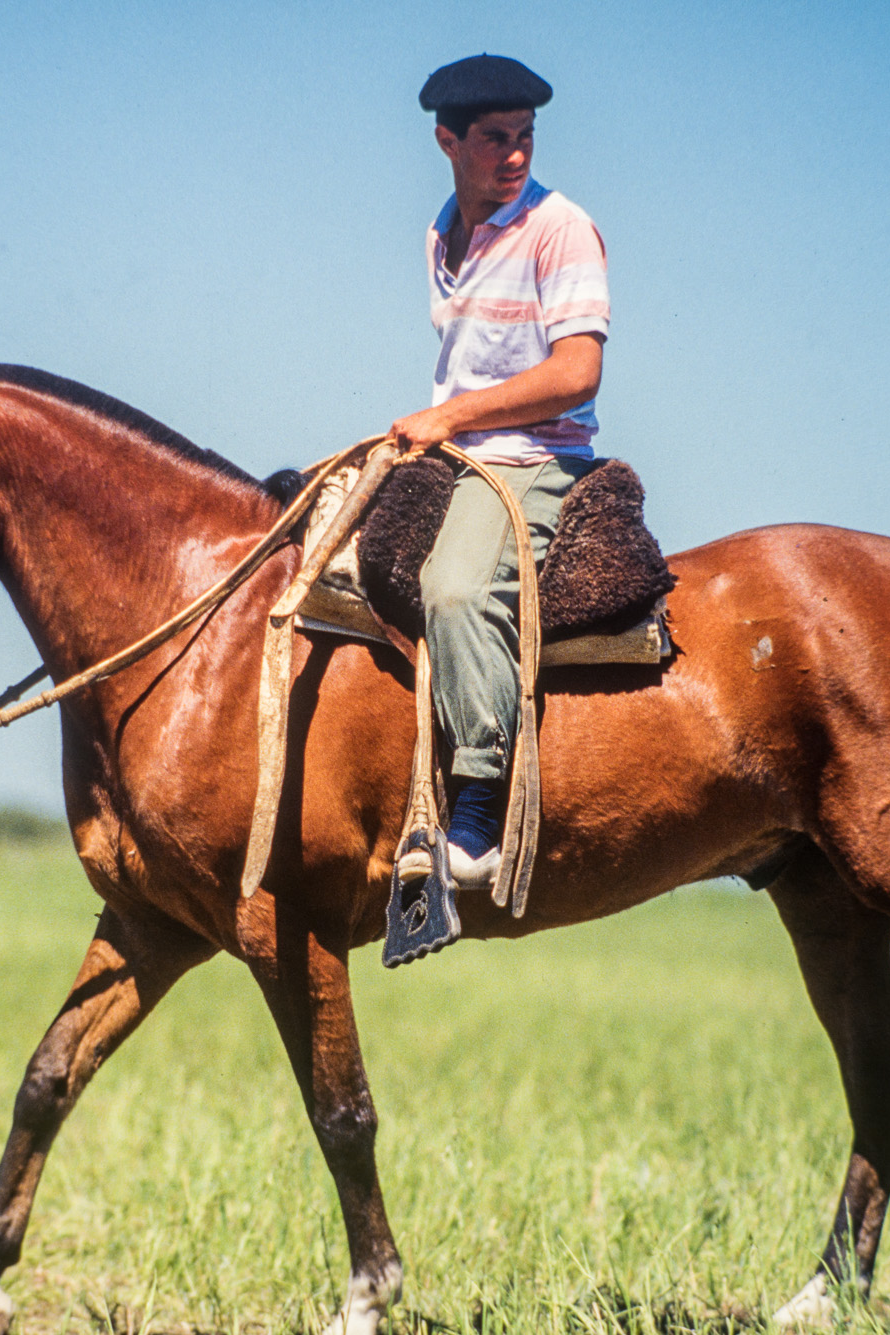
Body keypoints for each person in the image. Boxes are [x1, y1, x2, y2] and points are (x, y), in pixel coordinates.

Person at [389, 54, 611, 888]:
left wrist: (448, 416)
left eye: (525, 137)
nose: (515, 155)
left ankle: (479, 807)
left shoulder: (562, 229)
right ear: (447, 141)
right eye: (494, 140)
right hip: (460, 453)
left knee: (452, 588)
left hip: (535, 460)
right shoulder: (440, 231)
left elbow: (576, 373)